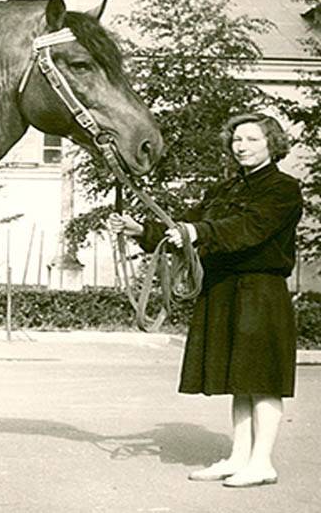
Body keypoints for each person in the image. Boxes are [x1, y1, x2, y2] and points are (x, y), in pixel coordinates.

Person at [110, 112, 303, 488]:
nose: (242, 146)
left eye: (251, 139)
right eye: (237, 140)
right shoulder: (224, 189)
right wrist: (143, 230)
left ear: (271, 144)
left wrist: (196, 231)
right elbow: (184, 224)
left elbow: (249, 228)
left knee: (262, 380)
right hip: (223, 287)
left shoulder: (283, 189)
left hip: (260, 290)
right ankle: (239, 457)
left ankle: (262, 462)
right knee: (240, 378)